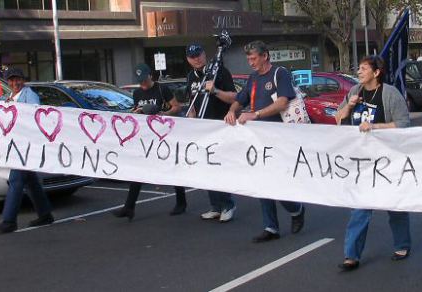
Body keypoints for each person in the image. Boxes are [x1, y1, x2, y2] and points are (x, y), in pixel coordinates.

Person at [334, 56, 412, 271]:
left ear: (376, 73)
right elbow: (338, 119)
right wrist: (348, 107)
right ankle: (351, 255)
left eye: (363, 68)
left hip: (387, 160)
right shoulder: (355, 92)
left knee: (393, 206)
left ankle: (402, 245)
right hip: (362, 162)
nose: (358, 72)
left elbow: (404, 124)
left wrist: (375, 127)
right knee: (360, 208)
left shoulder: (389, 94)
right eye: (358, 68)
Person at [224, 40, 305, 242]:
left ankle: (296, 209)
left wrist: (256, 114)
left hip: (280, 137)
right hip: (258, 139)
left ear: (265, 56)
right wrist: (231, 111)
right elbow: (239, 99)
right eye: (248, 59)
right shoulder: (252, 78)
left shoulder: (280, 73)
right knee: (262, 182)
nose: (250, 62)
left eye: (253, 58)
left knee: (278, 183)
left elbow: (282, 102)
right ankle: (271, 227)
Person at [112, 63, 187, 220]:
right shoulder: (137, 93)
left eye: (144, 79)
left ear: (150, 76)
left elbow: (176, 107)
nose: (142, 83)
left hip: (162, 133)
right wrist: (136, 112)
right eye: (140, 80)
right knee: (138, 170)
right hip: (145, 136)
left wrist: (162, 113)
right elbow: (135, 111)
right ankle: (129, 207)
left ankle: (181, 202)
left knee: (172, 166)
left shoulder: (161, 89)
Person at [0, 68, 55, 234]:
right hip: (16, 145)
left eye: (18, 79)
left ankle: (9, 220)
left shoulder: (29, 96)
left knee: (16, 180)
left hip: (26, 146)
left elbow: (33, 118)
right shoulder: (9, 98)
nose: (15, 83)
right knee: (30, 181)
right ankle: (45, 213)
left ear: (23, 80)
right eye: (11, 80)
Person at [184, 44, 238, 222]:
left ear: (204, 54)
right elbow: (192, 104)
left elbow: (234, 97)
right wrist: (191, 122)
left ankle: (228, 204)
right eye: (192, 56)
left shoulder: (219, 72)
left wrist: (215, 91)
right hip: (202, 129)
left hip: (220, 126)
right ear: (188, 59)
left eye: (198, 54)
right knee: (206, 168)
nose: (196, 59)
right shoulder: (191, 77)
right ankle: (215, 205)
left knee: (219, 166)